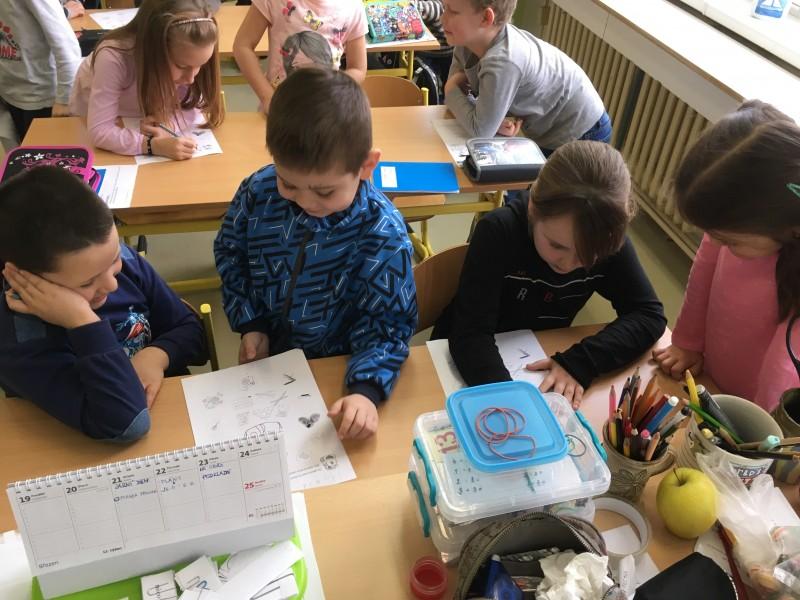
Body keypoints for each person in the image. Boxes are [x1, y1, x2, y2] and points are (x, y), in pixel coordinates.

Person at [214, 68, 417, 440]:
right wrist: (251, 323)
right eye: (289, 184)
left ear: (366, 166)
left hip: (338, 370)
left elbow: (387, 326)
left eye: (325, 192)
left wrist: (365, 389)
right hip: (269, 363)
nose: (306, 202)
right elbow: (231, 253)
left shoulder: (382, 234)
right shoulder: (258, 192)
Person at [432, 141, 666, 407]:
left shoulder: (605, 241)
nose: (570, 264)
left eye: (589, 256)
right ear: (533, 208)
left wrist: (580, 362)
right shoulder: (499, 231)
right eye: (557, 246)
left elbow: (649, 315)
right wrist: (511, 400)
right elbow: (470, 334)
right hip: (460, 361)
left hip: (538, 352)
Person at [0, 167, 208, 440]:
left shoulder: (121, 263)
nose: (112, 285)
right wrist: (82, 321)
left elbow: (190, 329)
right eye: (87, 283)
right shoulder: (20, 335)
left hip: (175, 418)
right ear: (26, 279)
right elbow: (126, 424)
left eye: (114, 259)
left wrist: (156, 356)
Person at [653, 100, 800, 412]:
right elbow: (703, 273)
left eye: (731, 242)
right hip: (712, 377)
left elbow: (783, 367)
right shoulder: (738, 224)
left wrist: (764, 419)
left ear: (789, 228)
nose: (719, 245)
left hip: (761, 407)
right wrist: (688, 342)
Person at [441, 0, 610, 152]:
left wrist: (449, 90)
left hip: (582, 130)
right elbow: (461, 100)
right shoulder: (467, 41)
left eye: (453, 11)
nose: (442, 18)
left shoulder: (503, 62)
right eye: (444, 7)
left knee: (540, 179)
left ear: (486, 18)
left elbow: (479, 130)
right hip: (552, 127)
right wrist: (490, 120)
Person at [69, 0, 224, 158]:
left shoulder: (190, 53)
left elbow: (193, 105)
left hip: (144, 114)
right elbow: (100, 131)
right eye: (182, 66)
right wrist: (151, 145)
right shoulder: (113, 58)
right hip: (95, 114)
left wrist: (169, 124)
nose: (191, 79)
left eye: (200, 65)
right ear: (154, 49)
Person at [233, 0, 368, 113]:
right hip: (279, 109)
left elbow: (358, 68)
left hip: (325, 112)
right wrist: (268, 97)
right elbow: (243, 46)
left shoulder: (353, 7)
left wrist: (333, 89)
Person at [0, 0, 81, 142]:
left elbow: (67, 48)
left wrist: (64, 100)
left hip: (41, 96)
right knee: (21, 150)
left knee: (43, 151)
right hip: (10, 90)